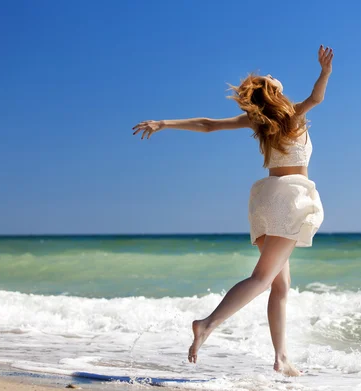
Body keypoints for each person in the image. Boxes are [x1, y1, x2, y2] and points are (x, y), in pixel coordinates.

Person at [132, 45, 334, 377]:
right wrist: (325, 72)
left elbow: (208, 125)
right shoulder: (292, 114)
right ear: (274, 93)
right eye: (269, 79)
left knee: (280, 285)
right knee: (262, 278)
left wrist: (163, 122)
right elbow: (317, 98)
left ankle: (281, 357)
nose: (271, 75)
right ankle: (207, 324)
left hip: (266, 200)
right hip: (289, 197)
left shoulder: (258, 122)